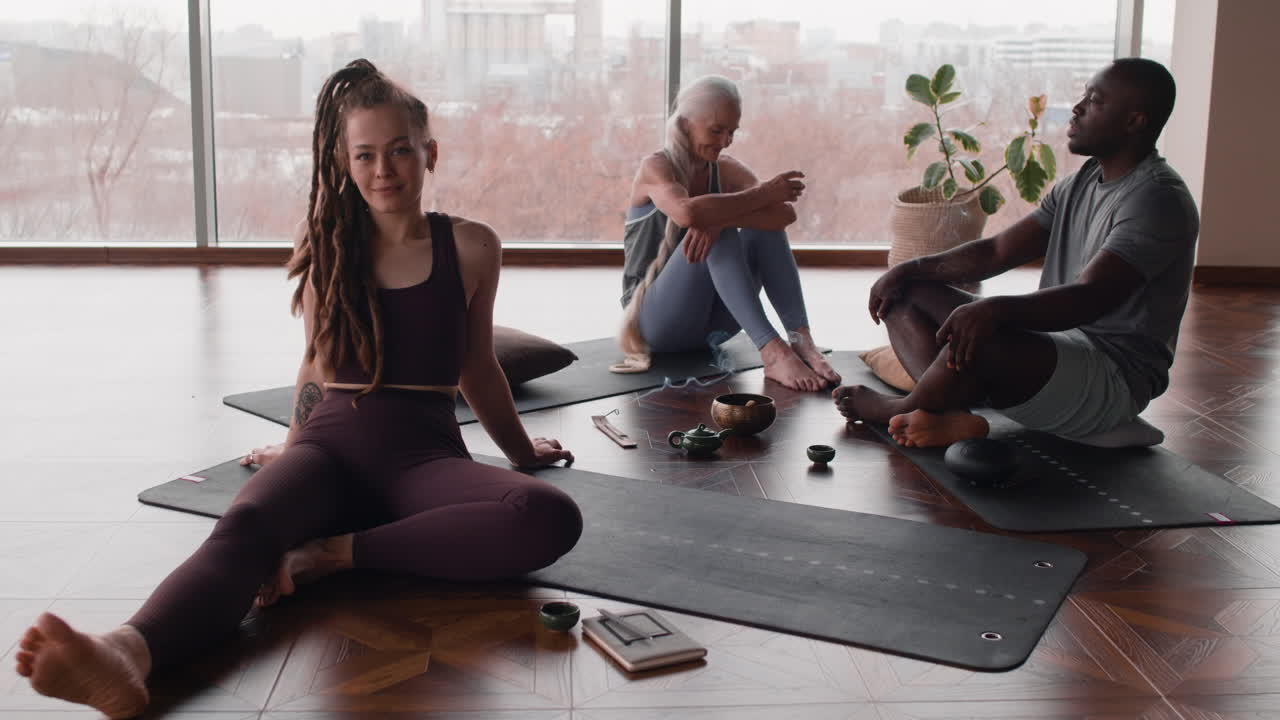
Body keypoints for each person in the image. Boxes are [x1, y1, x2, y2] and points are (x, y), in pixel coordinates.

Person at [13, 59, 583, 719]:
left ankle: (329, 557)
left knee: (548, 516)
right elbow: (315, 365)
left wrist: (521, 455)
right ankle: (126, 653)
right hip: (330, 449)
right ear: (344, 162)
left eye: (399, 150)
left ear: (429, 153)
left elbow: (477, 367)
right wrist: (291, 449)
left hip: (424, 458)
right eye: (365, 154)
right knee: (248, 523)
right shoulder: (330, 243)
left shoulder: (474, 246)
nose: (384, 169)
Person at [834, 58, 1199, 447]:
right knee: (905, 292)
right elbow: (995, 252)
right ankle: (944, 408)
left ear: (1134, 121)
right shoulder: (1082, 181)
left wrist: (994, 310)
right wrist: (908, 270)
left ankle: (901, 407)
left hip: (1112, 377)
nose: (1076, 108)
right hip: (1056, 351)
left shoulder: (1158, 199)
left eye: (1094, 101)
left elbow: (1089, 299)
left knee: (986, 330)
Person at [614, 74, 840, 392]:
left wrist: (723, 218)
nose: (725, 142)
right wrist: (761, 196)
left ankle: (800, 339)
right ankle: (772, 351)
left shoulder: (727, 169)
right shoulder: (656, 168)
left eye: (732, 131)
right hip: (652, 324)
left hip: (714, 326)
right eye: (716, 130)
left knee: (758, 228)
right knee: (718, 229)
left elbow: (783, 216)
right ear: (685, 123)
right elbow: (687, 212)